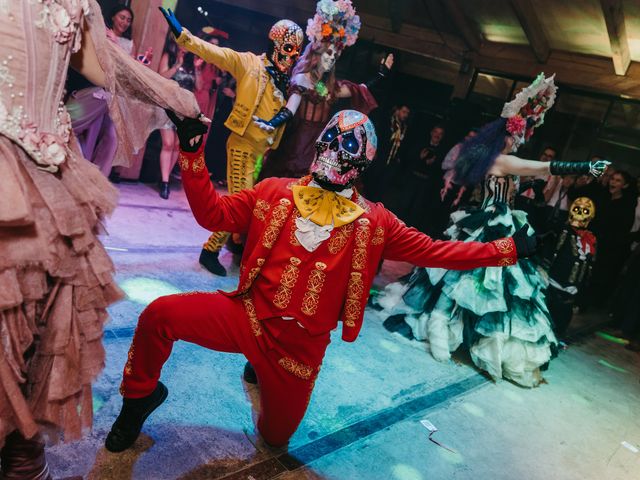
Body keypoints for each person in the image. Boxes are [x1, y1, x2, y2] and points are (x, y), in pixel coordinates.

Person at [105, 109, 539, 453]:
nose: (333, 148)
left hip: (299, 350)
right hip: (247, 316)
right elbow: (213, 216)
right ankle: (139, 398)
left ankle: (262, 372)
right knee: (159, 314)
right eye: (329, 137)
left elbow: (435, 251)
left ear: (363, 159)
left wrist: (508, 248)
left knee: (275, 438)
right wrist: (194, 154)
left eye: (348, 143)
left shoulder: (375, 222)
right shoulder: (274, 191)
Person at [0, 1, 200, 476]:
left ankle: (21, 454)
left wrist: (169, 94)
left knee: (44, 321)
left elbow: (101, 63)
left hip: (55, 176)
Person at [376, 74, 610, 387]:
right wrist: (583, 168)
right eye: (519, 133)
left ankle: (456, 331)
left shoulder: (497, 160)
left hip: (496, 220)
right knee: (465, 278)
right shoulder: (501, 160)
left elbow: (525, 178)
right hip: (491, 223)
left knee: (474, 282)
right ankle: (443, 327)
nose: (522, 138)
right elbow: (541, 168)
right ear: (508, 135)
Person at [160, 7, 304, 276]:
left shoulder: (289, 81)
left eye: (296, 50)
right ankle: (210, 251)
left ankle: (225, 247)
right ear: (274, 44)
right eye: (287, 47)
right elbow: (217, 53)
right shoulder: (250, 63)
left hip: (261, 151)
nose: (291, 55)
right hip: (241, 144)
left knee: (244, 205)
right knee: (240, 204)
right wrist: (184, 36)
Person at [255, 0, 389, 180]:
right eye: (328, 53)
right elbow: (289, 109)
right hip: (297, 144)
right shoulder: (303, 78)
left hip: (317, 146)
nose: (332, 58)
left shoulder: (328, 87)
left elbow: (359, 89)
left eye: (335, 55)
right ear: (317, 53)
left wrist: (381, 74)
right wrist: (271, 123)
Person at [65, 4, 136, 178]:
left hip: (114, 96)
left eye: (128, 20)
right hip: (96, 91)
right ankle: (85, 175)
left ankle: (98, 178)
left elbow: (127, 70)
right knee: (91, 132)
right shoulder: (99, 34)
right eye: (122, 17)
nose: (125, 22)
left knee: (112, 138)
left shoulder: (127, 42)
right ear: (112, 17)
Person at [541, 197, 597, 340]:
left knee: (559, 329)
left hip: (572, 292)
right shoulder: (563, 230)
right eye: (577, 209)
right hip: (554, 286)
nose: (580, 214)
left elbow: (588, 268)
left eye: (585, 210)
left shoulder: (590, 239)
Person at [588, 170, 637, 307]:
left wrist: (602, 242)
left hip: (609, 247)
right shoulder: (602, 197)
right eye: (612, 179)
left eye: (618, 180)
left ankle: (591, 304)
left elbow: (622, 230)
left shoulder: (626, 205)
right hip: (592, 240)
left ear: (625, 185)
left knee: (599, 277)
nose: (613, 182)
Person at [157, 37, 197, 199]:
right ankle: (165, 182)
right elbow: (160, 77)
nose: (184, 45)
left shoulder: (191, 62)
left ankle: (165, 178)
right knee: (167, 143)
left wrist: (197, 70)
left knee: (177, 145)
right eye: (181, 41)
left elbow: (198, 87)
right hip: (168, 106)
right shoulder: (169, 56)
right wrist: (177, 65)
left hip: (185, 109)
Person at [364, 104, 411, 202]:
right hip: (380, 156)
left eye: (407, 113)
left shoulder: (404, 127)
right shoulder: (387, 121)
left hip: (391, 161)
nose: (405, 115)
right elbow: (378, 135)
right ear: (397, 111)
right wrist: (374, 151)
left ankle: (373, 205)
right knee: (371, 180)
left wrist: (398, 159)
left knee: (382, 186)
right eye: (404, 112)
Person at [515, 145, 556, 231]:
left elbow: (546, 199)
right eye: (545, 154)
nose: (546, 157)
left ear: (553, 160)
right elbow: (518, 184)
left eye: (550, 156)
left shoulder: (552, 177)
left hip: (533, 207)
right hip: (519, 200)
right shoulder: (530, 167)